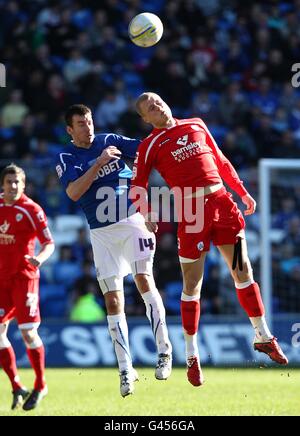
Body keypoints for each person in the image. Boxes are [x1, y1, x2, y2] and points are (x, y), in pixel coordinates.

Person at [131, 92, 288, 387]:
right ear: (145, 119)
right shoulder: (149, 145)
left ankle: (263, 335)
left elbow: (221, 159)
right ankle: (192, 355)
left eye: (158, 101)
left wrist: (241, 192)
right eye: (150, 107)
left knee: (243, 270)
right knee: (193, 285)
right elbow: (137, 185)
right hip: (192, 214)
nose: (157, 106)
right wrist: (147, 212)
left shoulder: (196, 124)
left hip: (223, 205)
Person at [55, 104, 172, 397]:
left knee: (144, 280)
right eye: (81, 123)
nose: (88, 127)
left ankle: (164, 352)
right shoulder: (66, 157)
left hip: (133, 220)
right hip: (101, 233)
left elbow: (147, 150)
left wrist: (147, 202)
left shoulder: (111, 140)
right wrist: (99, 163)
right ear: (70, 130)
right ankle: (125, 369)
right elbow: (73, 192)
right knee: (112, 300)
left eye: (90, 121)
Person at [0, 164, 55, 410]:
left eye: (17, 182)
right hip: (2, 280)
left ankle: (41, 384)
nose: (13, 186)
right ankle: (16, 385)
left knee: (27, 333)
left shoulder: (32, 209)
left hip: (24, 277)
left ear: (24, 185)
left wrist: (39, 259)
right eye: (9, 181)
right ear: (2, 184)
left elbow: (49, 243)